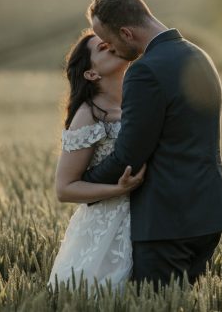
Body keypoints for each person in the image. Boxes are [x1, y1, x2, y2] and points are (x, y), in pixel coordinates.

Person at [82, 0, 222, 286]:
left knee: (157, 303)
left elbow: (129, 156)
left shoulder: (145, 71)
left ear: (126, 33)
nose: (111, 50)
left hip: (166, 221)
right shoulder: (199, 55)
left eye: (110, 42)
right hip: (208, 213)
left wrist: (84, 182)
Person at [47, 31, 147, 291]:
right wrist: (119, 189)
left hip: (147, 219)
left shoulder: (137, 103)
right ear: (91, 74)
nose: (112, 46)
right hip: (105, 232)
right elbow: (64, 189)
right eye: (103, 47)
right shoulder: (88, 114)